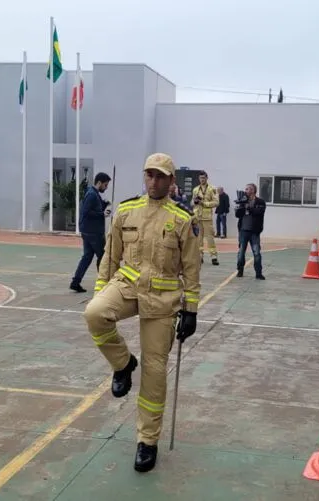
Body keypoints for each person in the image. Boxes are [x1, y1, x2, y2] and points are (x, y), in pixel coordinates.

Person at [82, 152, 200, 473]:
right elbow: (109, 257)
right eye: (149, 175)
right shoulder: (126, 210)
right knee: (94, 314)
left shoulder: (182, 219)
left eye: (161, 176)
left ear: (171, 180)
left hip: (162, 299)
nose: (154, 181)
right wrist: (101, 290)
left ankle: (147, 441)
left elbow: (191, 269)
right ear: (144, 176)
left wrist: (190, 310)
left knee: (155, 370)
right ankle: (123, 363)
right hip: (128, 286)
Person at [70, 172, 112, 293]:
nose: (106, 187)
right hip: (93, 232)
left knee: (87, 257)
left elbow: (94, 209)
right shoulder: (92, 195)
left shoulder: (94, 194)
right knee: (103, 257)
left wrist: (104, 205)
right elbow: (86, 212)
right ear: (99, 183)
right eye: (105, 185)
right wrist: (102, 214)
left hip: (88, 230)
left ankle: (75, 282)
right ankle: (104, 282)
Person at [235, 183, 266, 279]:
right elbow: (238, 215)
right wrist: (241, 205)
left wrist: (249, 207)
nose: (246, 191)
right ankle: (240, 270)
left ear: (253, 190)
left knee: (256, 253)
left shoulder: (260, 202)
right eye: (246, 189)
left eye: (248, 189)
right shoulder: (243, 201)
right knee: (241, 252)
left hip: (254, 232)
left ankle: (258, 273)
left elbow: (259, 212)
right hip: (243, 231)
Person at [192, 172, 219, 265]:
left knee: (210, 238)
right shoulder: (195, 189)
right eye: (200, 178)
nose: (202, 180)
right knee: (198, 238)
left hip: (207, 218)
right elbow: (192, 203)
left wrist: (205, 204)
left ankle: (214, 256)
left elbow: (216, 202)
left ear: (207, 178)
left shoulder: (212, 189)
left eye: (203, 178)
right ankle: (200, 256)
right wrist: (194, 202)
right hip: (198, 217)